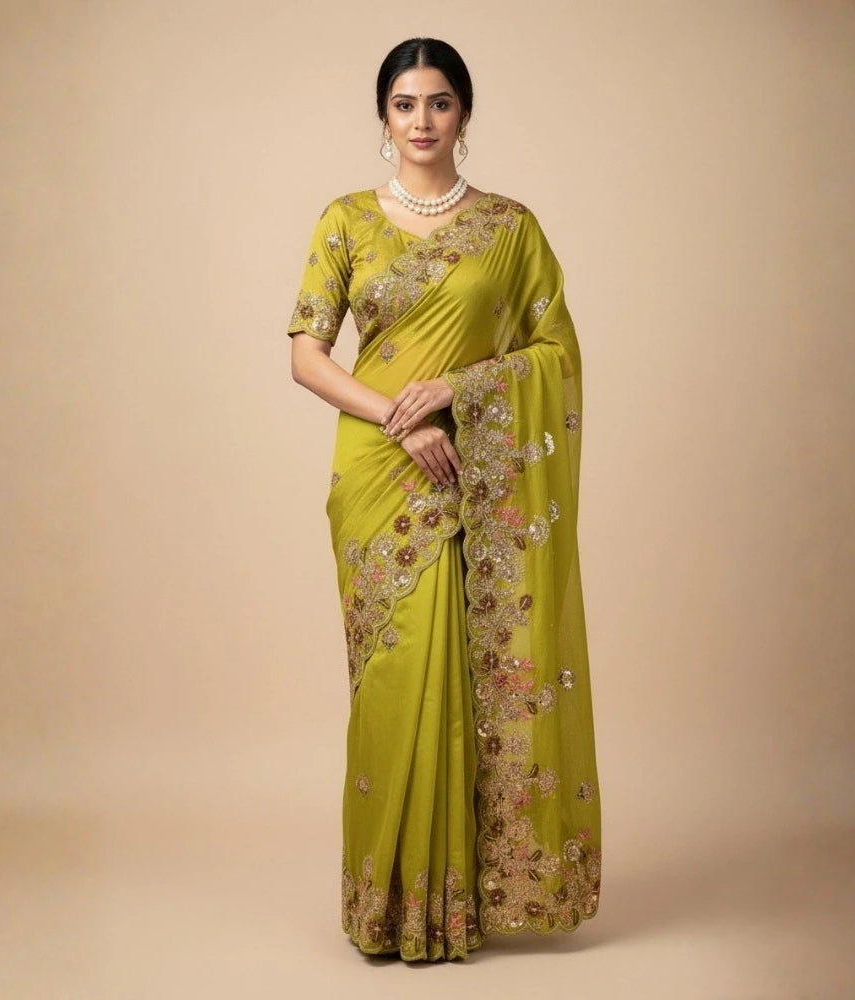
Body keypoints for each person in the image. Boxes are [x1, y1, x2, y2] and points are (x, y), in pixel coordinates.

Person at [287, 37, 601, 962]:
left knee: (459, 673)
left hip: (471, 475)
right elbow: (305, 356)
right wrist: (402, 417)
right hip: (379, 477)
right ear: (382, 118)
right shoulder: (344, 219)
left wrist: (462, 395)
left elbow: (557, 356)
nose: (421, 122)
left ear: (465, 113)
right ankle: (385, 907)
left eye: (439, 104)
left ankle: (451, 910)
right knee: (392, 683)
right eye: (403, 105)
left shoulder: (509, 229)